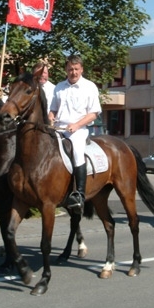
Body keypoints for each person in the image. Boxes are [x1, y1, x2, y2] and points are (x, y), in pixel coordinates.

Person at [49, 55, 102, 212]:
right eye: (70, 69)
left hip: (77, 130)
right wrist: (50, 117)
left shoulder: (89, 87)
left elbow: (94, 113)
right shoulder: (59, 87)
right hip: (58, 128)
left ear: (81, 69)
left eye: (76, 69)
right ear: (66, 70)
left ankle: (79, 195)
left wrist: (77, 125)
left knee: (78, 153)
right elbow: (53, 109)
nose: (73, 72)